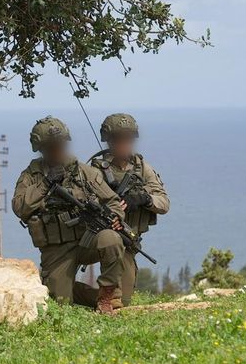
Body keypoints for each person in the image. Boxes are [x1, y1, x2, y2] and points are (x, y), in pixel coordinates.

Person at [12, 116, 126, 315]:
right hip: (57, 249)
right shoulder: (32, 175)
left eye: (61, 144)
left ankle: (107, 296)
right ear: (41, 148)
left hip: (87, 240)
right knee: (59, 301)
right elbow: (19, 207)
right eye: (51, 146)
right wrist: (46, 184)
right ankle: (91, 296)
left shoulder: (83, 172)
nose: (57, 150)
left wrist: (116, 217)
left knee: (111, 239)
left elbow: (112, 201)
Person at [83, 113, 170, 307]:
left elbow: (164, 203)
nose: (124, 144)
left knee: (124, 302)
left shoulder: (141, 168)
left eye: (128, 139)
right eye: (119, 139)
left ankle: (101, 298)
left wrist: (144, 199)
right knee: (62, 293)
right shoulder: (95, 170)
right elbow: (87, 204)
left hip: (128, 242)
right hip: (101, 240)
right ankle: (88, 295)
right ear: (109, 140)